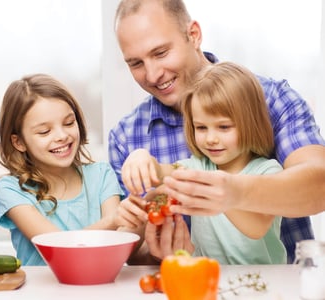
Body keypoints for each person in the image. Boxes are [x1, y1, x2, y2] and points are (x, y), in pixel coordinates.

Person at [109, 0, 325, 263]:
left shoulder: (273, 99)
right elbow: (128, 246)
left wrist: (234, 192)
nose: (153, 75)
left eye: (161, 53)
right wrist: (153, 252)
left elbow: (320, 186)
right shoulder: (125, 136)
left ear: (194, 35)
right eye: (136, 63)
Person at [118, 62, 287, 264]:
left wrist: (220, 192)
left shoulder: (268, 171)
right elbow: (161, 172)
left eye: (223, 127)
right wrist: (140, 157)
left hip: (259, 283)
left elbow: (257, 227)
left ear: (251, 122)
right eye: (201, 127)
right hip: (206, 279)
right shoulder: (197, 167)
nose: (211, 139)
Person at [0, 74, 122, 266]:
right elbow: (58, 248)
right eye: (45, 131)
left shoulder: (101, 175)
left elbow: (118, 246)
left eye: (69, 123)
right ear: (19, 142)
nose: (62, 136)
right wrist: (113, 221)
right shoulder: (11, 189)